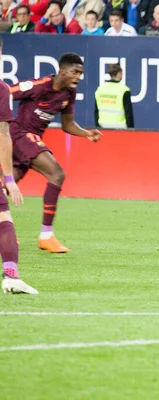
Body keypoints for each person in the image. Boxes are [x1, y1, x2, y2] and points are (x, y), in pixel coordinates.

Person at [8, 53, 103, 253]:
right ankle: (46, 235)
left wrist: (86, 133)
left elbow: (67, 125)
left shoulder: (69, 94)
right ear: (62, 71)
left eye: (81, 73)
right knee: (57, 173)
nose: (78, 77)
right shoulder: (39, 85)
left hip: (28, 141)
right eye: (74, 72)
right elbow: (7, 91)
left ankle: (5, 232)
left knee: (8, 183)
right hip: (19, 134)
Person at [0, 39, 37, 295]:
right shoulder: (1, 90)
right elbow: (2, 136)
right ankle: (11, 276)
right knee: (3, 219)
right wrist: (9, 180)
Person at [95, 64, 134, 129]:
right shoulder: (124, 90)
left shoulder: (100, 89)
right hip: (120, 130)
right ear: (119, 74)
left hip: (103, 128)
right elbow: (128, 114)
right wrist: (131, 130)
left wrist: (98, 127)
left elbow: (96, 112)